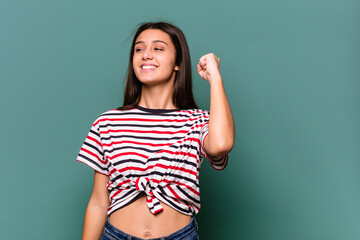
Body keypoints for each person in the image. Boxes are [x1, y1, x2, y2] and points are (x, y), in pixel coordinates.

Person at [76, 22, 235, 240]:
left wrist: (215, 78)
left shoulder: (197, 121)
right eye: (139, 49)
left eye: (158, 48)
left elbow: (221, 145)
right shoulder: (108, 122)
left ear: (178, 63)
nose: (146, 55)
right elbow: (98, 202)